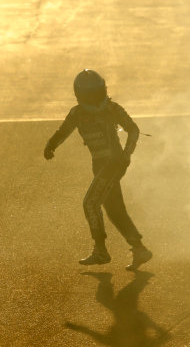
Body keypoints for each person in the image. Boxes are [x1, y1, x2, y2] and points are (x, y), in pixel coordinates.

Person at [44, 69, 152, 270]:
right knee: (114, 210)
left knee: (90, 204)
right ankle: (140, 249)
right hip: (100, 165)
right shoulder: (78, 113)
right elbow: (64, 131)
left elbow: (133, 129)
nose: (93, 98)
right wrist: (50, 145)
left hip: (113, 164)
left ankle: (101, 251)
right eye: (90, 94)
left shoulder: (111, 109)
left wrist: (126, 155)